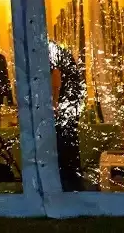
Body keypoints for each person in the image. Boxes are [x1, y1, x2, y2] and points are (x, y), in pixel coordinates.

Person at [49, 40, 85, 191]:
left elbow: (56, 77)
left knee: (63, 148)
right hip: (72, 104)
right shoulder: (61, 52)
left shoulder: (49, 51)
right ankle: (74, 186)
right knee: (70, 146)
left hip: (65, 105)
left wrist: (55, 103)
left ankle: (68, 187)